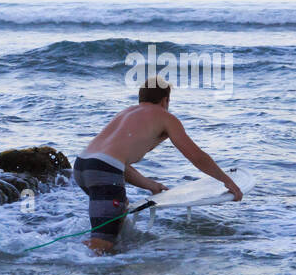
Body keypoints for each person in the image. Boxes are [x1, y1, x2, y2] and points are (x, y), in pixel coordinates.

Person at [73, 79, 242, 253]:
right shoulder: (165, 117)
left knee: (121, 209)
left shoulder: (125, 114)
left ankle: (113, 261)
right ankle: (69, 262)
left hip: (82, 165)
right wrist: (226, 180)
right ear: (165, 100)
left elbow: (116, 164)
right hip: (103, 171)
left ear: (141, 98)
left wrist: (151, 186)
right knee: (102, 245)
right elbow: (196, 155)